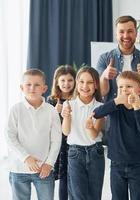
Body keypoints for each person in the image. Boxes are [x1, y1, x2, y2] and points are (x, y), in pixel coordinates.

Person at [5, 69, 62, 200]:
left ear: (44, 88)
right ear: (21, 87)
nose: (32, 88)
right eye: (28, 84)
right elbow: (9, 136)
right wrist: (26, 157)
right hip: (18, 168)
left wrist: (49, 163)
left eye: (37, 85)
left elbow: (56, 140)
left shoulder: (51, 111)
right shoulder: (16, 109)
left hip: (44, 169)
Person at [93, 71, 140, 200]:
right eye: (120, 87)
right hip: (116, 163)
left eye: (129, 86)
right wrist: (116, 101)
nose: (124, 90)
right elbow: (96, 114)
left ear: (139, 91)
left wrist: (136, 107)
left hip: (138, 164)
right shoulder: (114, 107)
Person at [61, 66, 105, 200]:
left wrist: (90, 127)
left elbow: (94, 135)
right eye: (81, 82)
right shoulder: (68, 104)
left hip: (95, 153)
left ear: (96, 85)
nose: (85, 86)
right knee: (77, 195)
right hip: (75, 153)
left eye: (90, 82)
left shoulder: (100, 107)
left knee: (94, 195)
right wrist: (67, 116)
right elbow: (66, 131)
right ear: (76, 83)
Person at [47, 65, 76, 200]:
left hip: (74, 143)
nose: (66, 84)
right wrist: (55, 113)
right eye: (62, 80)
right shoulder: (51, 100)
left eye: (70, 80)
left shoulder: (77, 99)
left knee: (73, 177)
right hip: (58, 145)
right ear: (57, 82)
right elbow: (46, 126)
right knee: (62, 177)